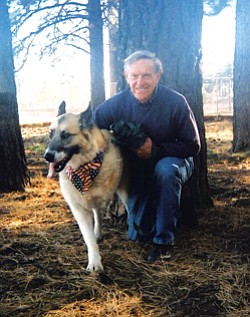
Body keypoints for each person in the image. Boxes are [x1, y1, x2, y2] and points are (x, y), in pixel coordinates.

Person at [93, 50, 201, 262]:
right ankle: (178, 210)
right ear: (127, 77)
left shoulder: (176, 102)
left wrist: (157, 150)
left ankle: (164, 243)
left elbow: (192, 146)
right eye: (134, 76)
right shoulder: (114, 105)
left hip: (174, 162)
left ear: (158, 76)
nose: (140, 82)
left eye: (147, 75)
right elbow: (91, 131)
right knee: (139, 234)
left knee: (165, 171)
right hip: (137, 168)